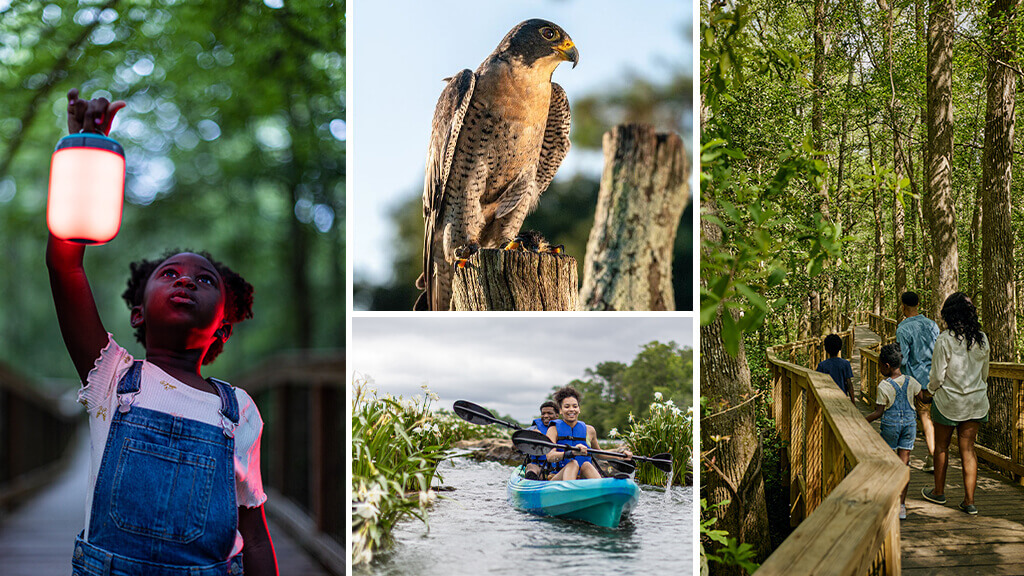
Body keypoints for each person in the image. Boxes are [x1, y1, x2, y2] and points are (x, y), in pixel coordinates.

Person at [49, 89, 278, 575]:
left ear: (223, 327)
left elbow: (254, 536)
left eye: (204, 280)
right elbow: (64, 265)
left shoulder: (238, 411)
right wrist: (84, 152)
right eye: (170, 274)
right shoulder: (111, 376)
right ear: (138, 314)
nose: (186, 281)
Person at [920, 292, 989, 516]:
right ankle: (969, 501)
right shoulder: (982, 338)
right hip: (975, 401)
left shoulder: (945, 338)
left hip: (949, 401)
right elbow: (985, 373)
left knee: (941, 446)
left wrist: (928, 393)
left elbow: (938, 375)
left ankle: (939, 492)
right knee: (968, 449)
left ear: (949, 313)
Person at [866, 344, 921, 520]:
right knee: (903, 466)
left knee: (887, 465)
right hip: (910, 426)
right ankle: (901, 506)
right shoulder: (911, 381)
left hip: (890, 427)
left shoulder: (884, 386)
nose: (880, 368)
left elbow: (878, 412)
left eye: (880, 365)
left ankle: (886, 500)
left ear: (887, 366)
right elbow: (923, 397)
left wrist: (861, 421)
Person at [545, 386, 631, 480]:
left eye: (575, 406)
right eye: (567, 406)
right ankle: (570, 492)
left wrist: (620, 454)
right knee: (573, 464)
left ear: (579, 409)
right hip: (557, 478)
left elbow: (599, 454)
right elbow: (550, 456)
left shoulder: (589, 430)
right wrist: (571, 453)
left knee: (587, 465)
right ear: (560, 410)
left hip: (581, 478)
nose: (571, 410)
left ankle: (602, 490)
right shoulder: (553, 429)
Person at [896, 290, 940, 473]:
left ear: (903, 306)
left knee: (925, 419)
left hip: (917, 382)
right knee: (935, 419)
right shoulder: (932, 325)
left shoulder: (903, 328)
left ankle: (933, 457)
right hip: (937, 379)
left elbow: (903, 359)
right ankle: (934, 456)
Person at [524, 401, 559, 480]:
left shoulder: (564, 430)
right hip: (539, 469)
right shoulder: (533, 429)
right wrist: (530, 437)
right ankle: (531, 483)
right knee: (531, 466)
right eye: (543, 413)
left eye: (549, 413)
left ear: (557, 415)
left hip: (557, 471)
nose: (546, 416)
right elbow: (514, 447)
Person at [816, 334, 855, 404]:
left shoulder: (822, 366)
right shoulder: (845, 364)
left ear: (826, 349)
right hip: (843, 398)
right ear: (840, 348)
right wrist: (853, 401)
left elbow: (818, 384)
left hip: (827, 400)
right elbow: (849, 384)